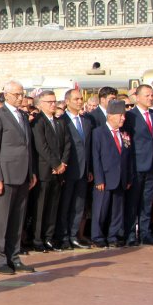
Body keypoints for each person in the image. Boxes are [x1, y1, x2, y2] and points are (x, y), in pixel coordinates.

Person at [0, 80, 37, 275]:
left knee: (17, 218)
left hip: (23, 173)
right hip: (6, 174)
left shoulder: (23, 116)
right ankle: (0, 259)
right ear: (6, 95)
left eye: (22, 94)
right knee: (2, 219)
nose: (20, 98)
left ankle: (14, 256)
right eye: (17, 94)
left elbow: (27, 146)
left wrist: (31, 171)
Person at [123, 84, 153, 245]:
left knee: (147, 202)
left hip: (152, 165)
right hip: (136, 165)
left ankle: (145, 233)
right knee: (133, 202)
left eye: (152, 95)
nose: (151, 97)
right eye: (147, 95)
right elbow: (127, 141)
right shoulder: (130, 116)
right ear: (137, 97)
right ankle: (131, 234)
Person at [30, 90, 70, 252]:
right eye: (49, 102)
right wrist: (55, 164)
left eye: (54, 101)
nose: (53, 104)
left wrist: (64, 163)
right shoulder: (37, 122)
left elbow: (67, 143)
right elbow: (41, 146)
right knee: (40, 207)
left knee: (53, 207)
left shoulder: (60, 122)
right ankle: (37, 239)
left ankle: (48, 237)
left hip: (59, 171)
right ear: (40, 104)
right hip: (44, 170)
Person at [91, 99, 133, 247]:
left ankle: (113, 236)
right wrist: (99, 179)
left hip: (120, 178)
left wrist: (128, 177)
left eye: (124, 115)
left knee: (117, 210)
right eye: (120, 115)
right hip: (105, 178)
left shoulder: (124, 134)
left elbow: (128, 157)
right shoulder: (98, 133)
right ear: (110, 115)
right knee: (101, 210)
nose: (123, 118)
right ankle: (97, 236)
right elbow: (96, 157)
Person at [55, 89, 93, 249]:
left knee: (79, 205)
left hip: (83, 170)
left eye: (81, 99)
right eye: (76, 99)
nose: (80, 102)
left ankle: (74, 235)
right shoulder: (61, 121)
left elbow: (88, 147)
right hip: (68, 170)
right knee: (65, 206)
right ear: (67, 101)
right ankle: (63, 237)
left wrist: (90, 169)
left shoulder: (86, 121)